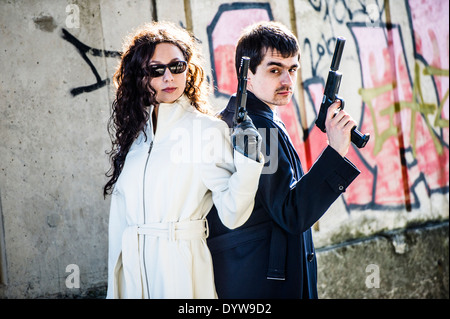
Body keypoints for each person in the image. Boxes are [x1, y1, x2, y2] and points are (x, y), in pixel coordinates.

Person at [103, 21, 263, 299]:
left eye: (177, 67)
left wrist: (249, 161)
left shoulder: (205, 130)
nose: (169, 77)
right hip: (132, 272)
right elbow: (119, 222)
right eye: (156, 69)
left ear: (188, 71)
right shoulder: (135, 137)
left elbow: (233, 213)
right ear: (139, 76)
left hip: (180, 270)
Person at [207, 21, 361, 298]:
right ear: (247, 74)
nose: (288, 81)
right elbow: (291, 213)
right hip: (263, 283)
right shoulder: (254, 127)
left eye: (292, 69)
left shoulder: (256, 118)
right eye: (275, 70)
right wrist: (335, 151)